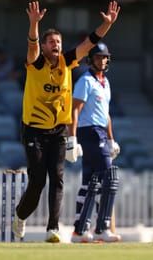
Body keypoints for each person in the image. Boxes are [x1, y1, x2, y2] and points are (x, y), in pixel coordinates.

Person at [12, 0, 120, 243]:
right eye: (52, 42)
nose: (56, 46)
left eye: (58, 42)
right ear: (45, 46)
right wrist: (34, 25)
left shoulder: (66, 62)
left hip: (59, 130)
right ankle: (20, 216)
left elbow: (89, 43)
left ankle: (53, 228)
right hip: (34, 130)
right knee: (38, 181)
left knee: (58, 178)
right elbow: (32, 46)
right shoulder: (35, 63)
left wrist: (106, 24)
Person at [66, 42, 121, 243]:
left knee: (91, 181)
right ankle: (102, 228)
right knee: (109, 176)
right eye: (98, 57)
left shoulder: (105, 83)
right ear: (91, 59)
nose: (102, 60)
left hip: (100, 133)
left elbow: (106, 115)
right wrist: (72, 138)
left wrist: (111, 139)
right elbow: (75, 110)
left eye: (104, 57)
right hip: (88, 132)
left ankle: (80, 231)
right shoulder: (85, 81)